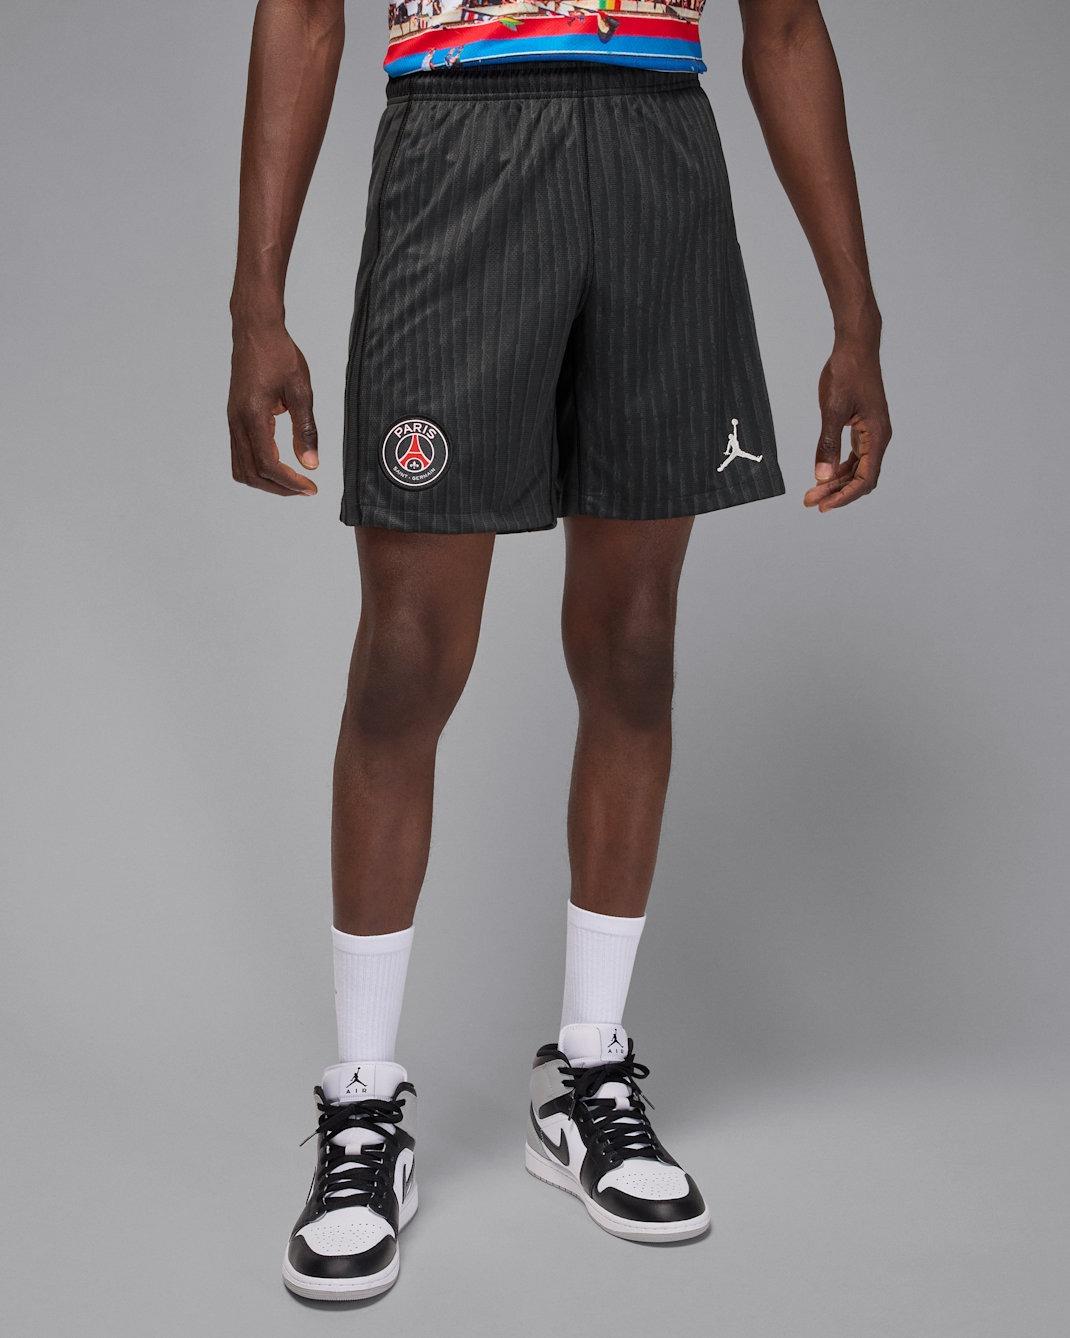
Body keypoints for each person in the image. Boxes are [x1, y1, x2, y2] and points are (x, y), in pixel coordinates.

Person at [227, 0, 891, 1302]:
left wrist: (854, 321)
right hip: (459, 145)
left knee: (634, 645)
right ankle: (361, 1100)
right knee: (407, 660)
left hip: (658, 155)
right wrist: (257, 301)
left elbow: (786, 31)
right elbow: (302, 13)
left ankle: (587, 1068)